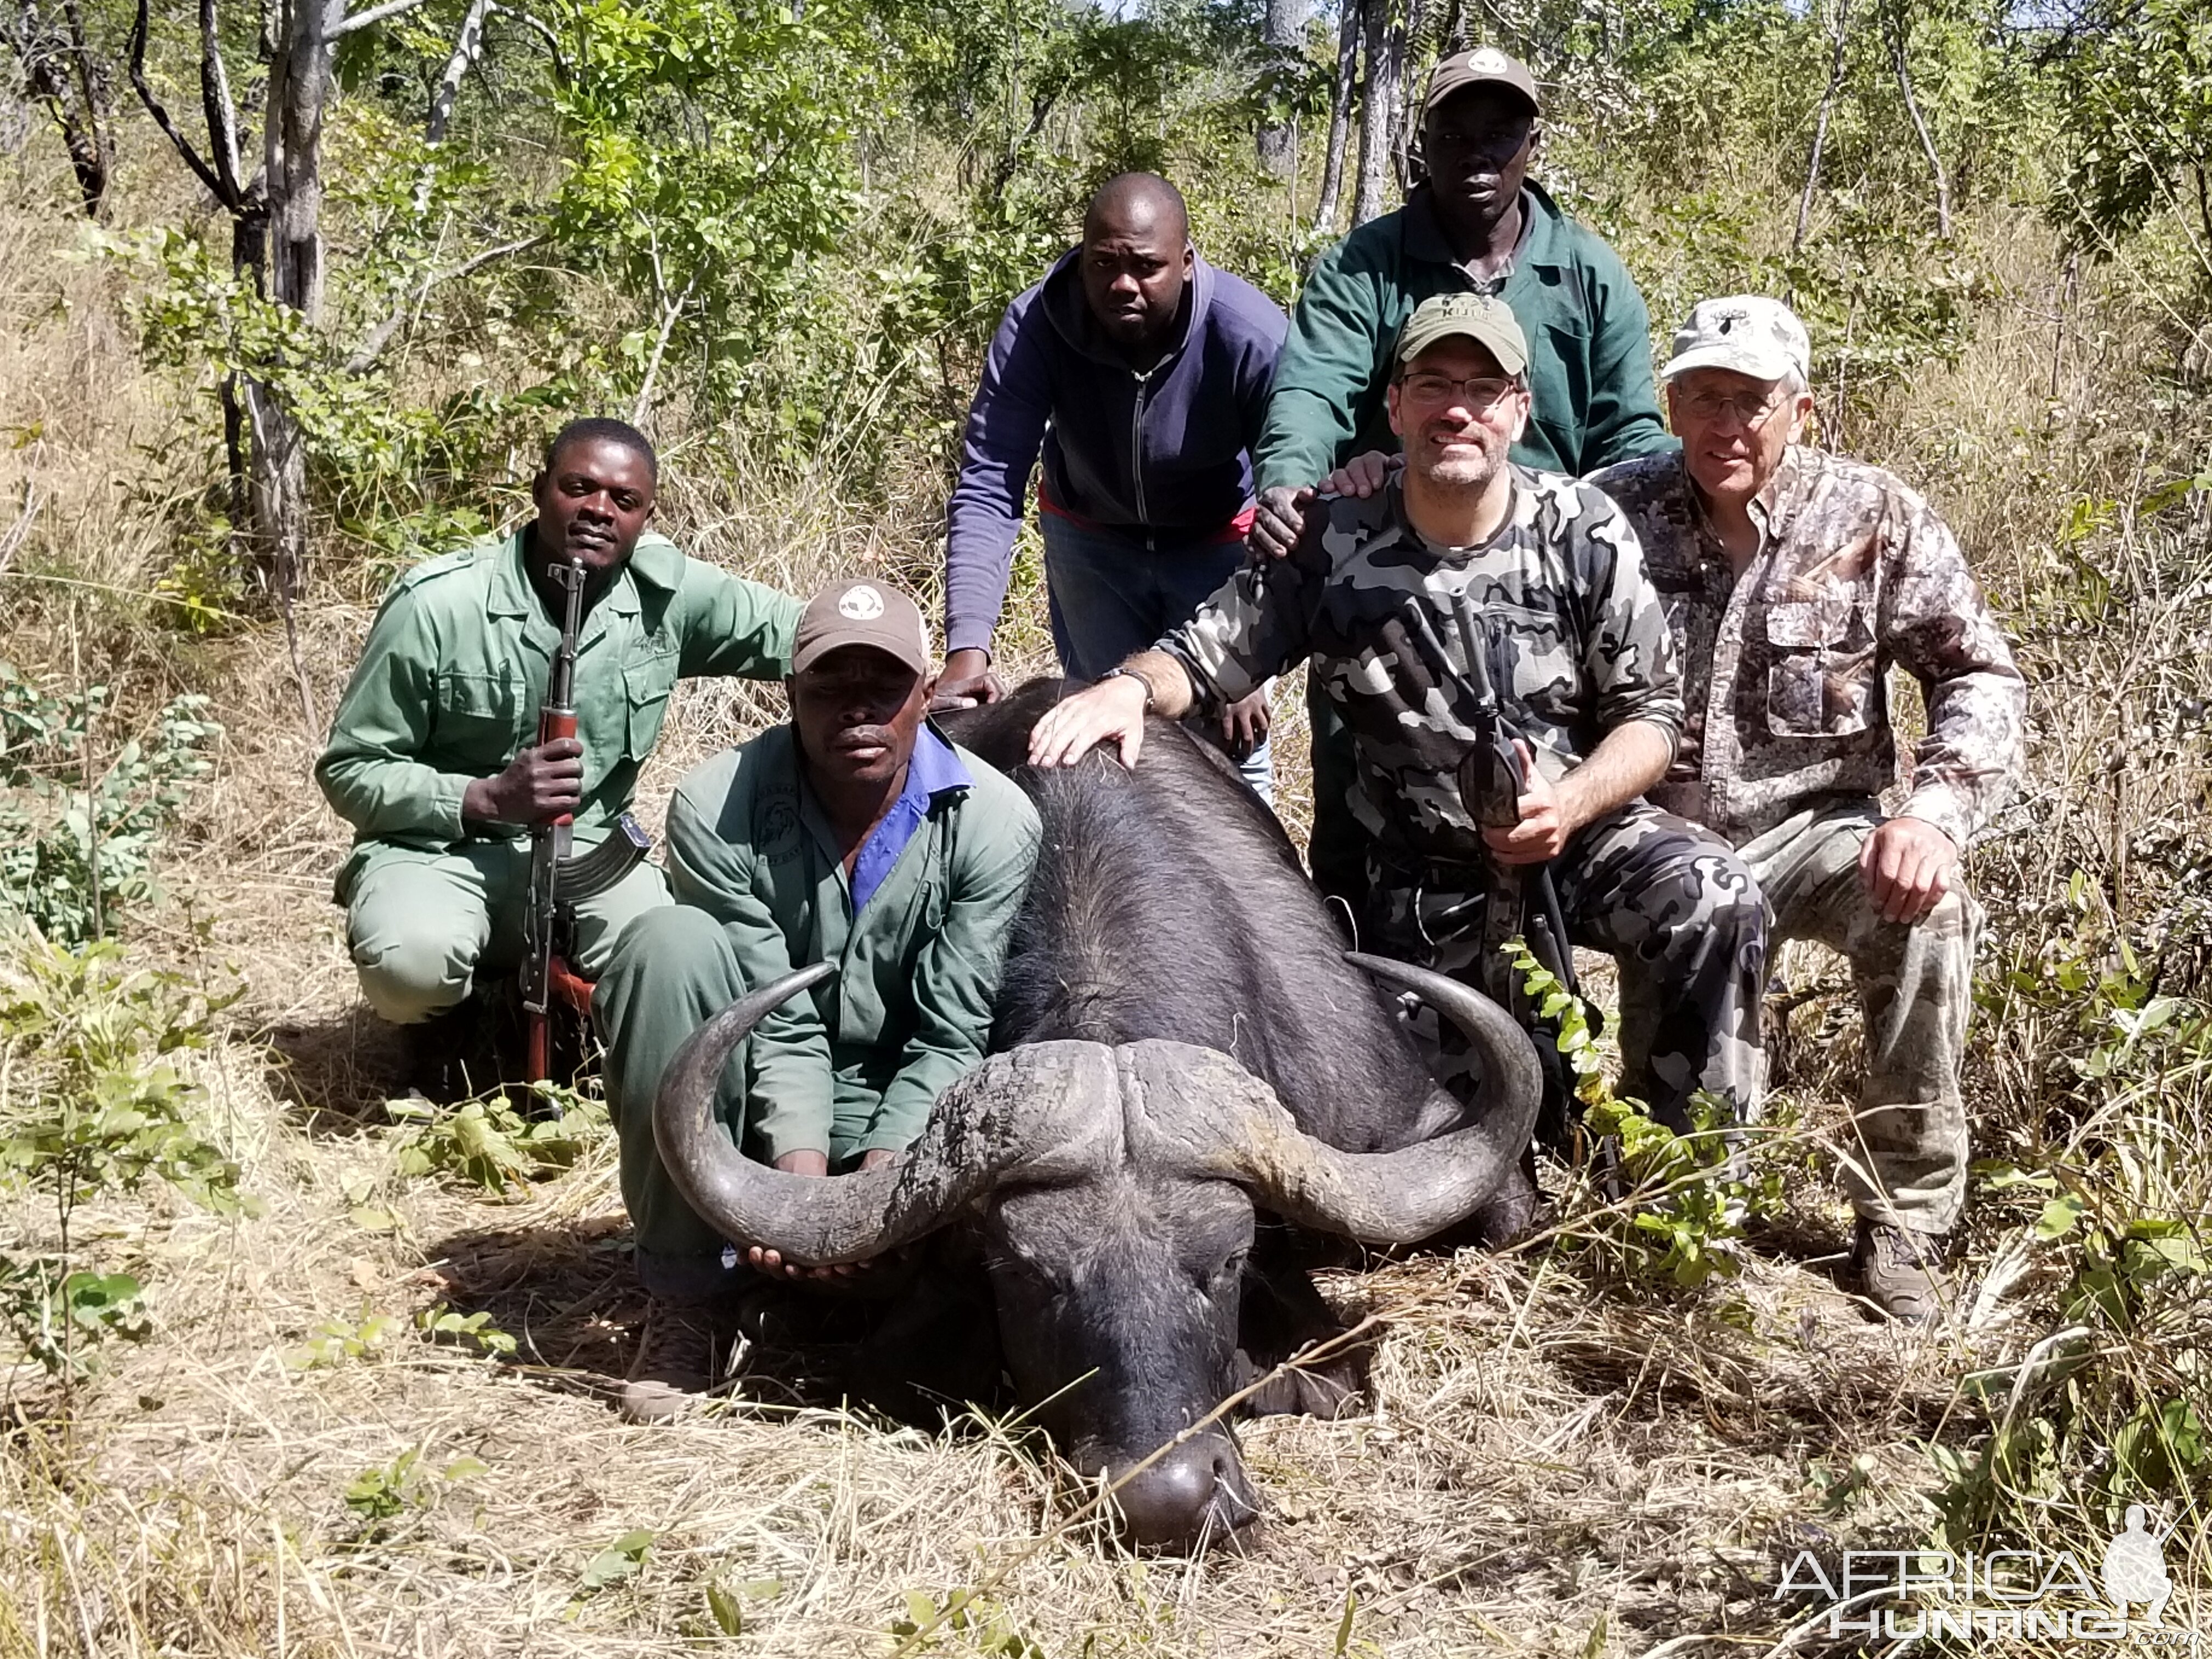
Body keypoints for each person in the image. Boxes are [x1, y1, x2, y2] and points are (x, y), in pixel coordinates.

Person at [1029, 292, 1765, 1147]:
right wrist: (1127, 688)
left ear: (1519, 409)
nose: (1457, 410)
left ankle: (1691, 1168)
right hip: (1422, 882)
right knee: (1428, 1146)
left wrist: (1567, 806)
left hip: (1576, 842)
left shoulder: (1583, 528)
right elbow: (1198, 657)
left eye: (1484, 388)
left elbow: (1652, 719)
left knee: (1714, 892)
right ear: (1396, 405)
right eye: (1433, 385)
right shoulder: (1332, 539)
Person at [1589, 296, 2025, 1322]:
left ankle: (1904, 1215)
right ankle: (1683, 1206)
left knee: (1928, 909)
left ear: (1802, 410)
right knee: (1678, 1167)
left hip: (1817, 827)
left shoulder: (1873, 515)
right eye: (1701, 396)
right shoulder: (1609, 508)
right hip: (1657, 837)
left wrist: (1933, 811)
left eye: (1751, 400)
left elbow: (1979, 674)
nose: (1723, 423)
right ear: (1671, 403)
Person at [594, 578, 1041, 1419]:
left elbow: (953, 1035)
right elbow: (775, 1016)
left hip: (909, 1113)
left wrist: (875, 1200)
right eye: (831, 686)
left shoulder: (996, 820)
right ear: (790, 693)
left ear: (928, 694)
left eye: (885, 686)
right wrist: (797, 1194)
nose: (857, 709)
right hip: (759, 1093)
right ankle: (691, 1293)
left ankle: (863, 1284)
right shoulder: (713, 804)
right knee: (663, 948)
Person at [1245, 46, 1677, 900]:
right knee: (1363, 816)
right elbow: (1312, 389)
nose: (1478, 154)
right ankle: (1359, 978)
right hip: (1396, 580)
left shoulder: (1587, 274)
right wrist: (1292, 482)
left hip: (1549, 577)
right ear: (1422, 144)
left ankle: (1542, 1006)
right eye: (1455, 134)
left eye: (1499, 134)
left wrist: (1617, 550)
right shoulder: (1364, 266)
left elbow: (1631, 431)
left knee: (1565, 819)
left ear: (1532, 144)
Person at [317, 419, 801, 1094]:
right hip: (439, 851)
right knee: (411, 963)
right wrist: (481, 797)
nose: (599, 510)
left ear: (646, 516)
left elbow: (805, 632)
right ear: (541, 489)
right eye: (579, 488)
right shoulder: (439, 603)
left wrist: (908, 668)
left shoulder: (668, 592)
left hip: (588, 854)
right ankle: (443, 1041)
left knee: (674, 953)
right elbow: (349, 768)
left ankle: (608, 1062)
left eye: (623, 501)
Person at [938, 171, 1286, 795]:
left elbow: (1291, 493)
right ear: (1081, 254)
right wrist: (968, 648)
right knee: (1103, 735)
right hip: (1092, 543)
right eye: (1104, 264)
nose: (1122, 284)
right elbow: (990, 480)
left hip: (1217, 544)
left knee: (1234, 751)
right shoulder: (1037, 324)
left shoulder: (1248, 333)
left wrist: (1249, 658)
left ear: (1185, 262)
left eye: (1146, 267)